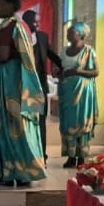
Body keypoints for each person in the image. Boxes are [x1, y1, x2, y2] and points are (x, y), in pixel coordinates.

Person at [0, 0, 46, 186]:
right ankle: (25, 173)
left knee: (8, 129)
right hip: (21, 83)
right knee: (22, 127)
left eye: (0, 3)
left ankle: (9, 174)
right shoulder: (22, 25)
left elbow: (2, 56)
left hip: (8, 84)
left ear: (10, 5)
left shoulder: (6, 27)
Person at [22, 9, 62, 160]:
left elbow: (52, 55)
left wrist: (63, 66)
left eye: (38, 21)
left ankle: (42, 155)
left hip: (40, 87)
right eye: (35, 21)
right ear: (26, 22)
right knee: (26, 121)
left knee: (41, 121)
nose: (38, 24)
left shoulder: (43, 37)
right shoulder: (19, 38)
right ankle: (27, 155)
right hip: (24, 87)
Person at [57, 22, 99, 167]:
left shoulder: (88, 51)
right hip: (66, 92)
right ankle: (70, 156)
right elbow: (59, 69)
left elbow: (96, 72)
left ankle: (81, 157)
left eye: (71, 32)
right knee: (67, 123)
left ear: (81, 34)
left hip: (82, 93)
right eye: (68, 32)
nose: (68, 34)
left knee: (81, 123)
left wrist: (77, 71)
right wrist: (58, 72)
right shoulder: (63, 51)